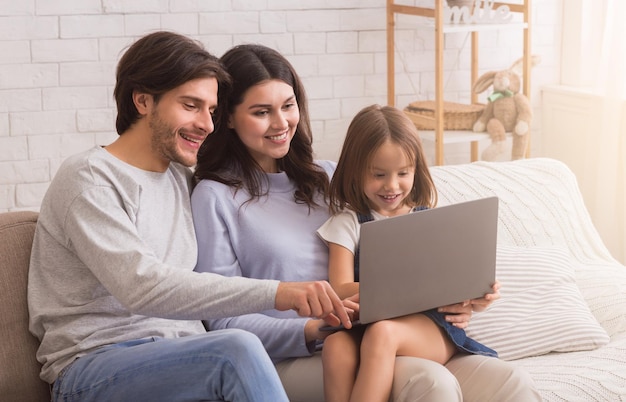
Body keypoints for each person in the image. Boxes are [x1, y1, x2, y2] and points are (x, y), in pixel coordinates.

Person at [192, 44, 541, 401]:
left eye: (288, 105)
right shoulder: (214, 197)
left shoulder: (329, 178)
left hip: (377, 333)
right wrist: (313, 328)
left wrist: (459, 298)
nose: (281, 123)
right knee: (429, 382)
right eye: (262, 112)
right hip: (298, 354)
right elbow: (223, 321)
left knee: (511, 381)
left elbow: (403, 253)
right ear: (228, 117)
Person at [27, 31, 353, 402]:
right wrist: (281, 294)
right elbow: (142, 286)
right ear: (143, 100)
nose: (208, 124)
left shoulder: (183, 180)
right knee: (236, 350)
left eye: (212, 110)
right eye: (190, 106)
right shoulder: (90, 178)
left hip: (186, 357)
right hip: (97, 365)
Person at [317, 104, 499, 402]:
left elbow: (455, 283)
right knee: (335, 346)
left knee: (383, 334)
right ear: (355, 171)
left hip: (429, 328)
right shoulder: (347, 224)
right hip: (364, 326)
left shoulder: (428, 220)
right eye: (378, 174)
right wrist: (405, 292)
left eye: (403, 173)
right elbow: (339, 289)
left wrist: (478, 297)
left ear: (416, 170)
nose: (391, 185)